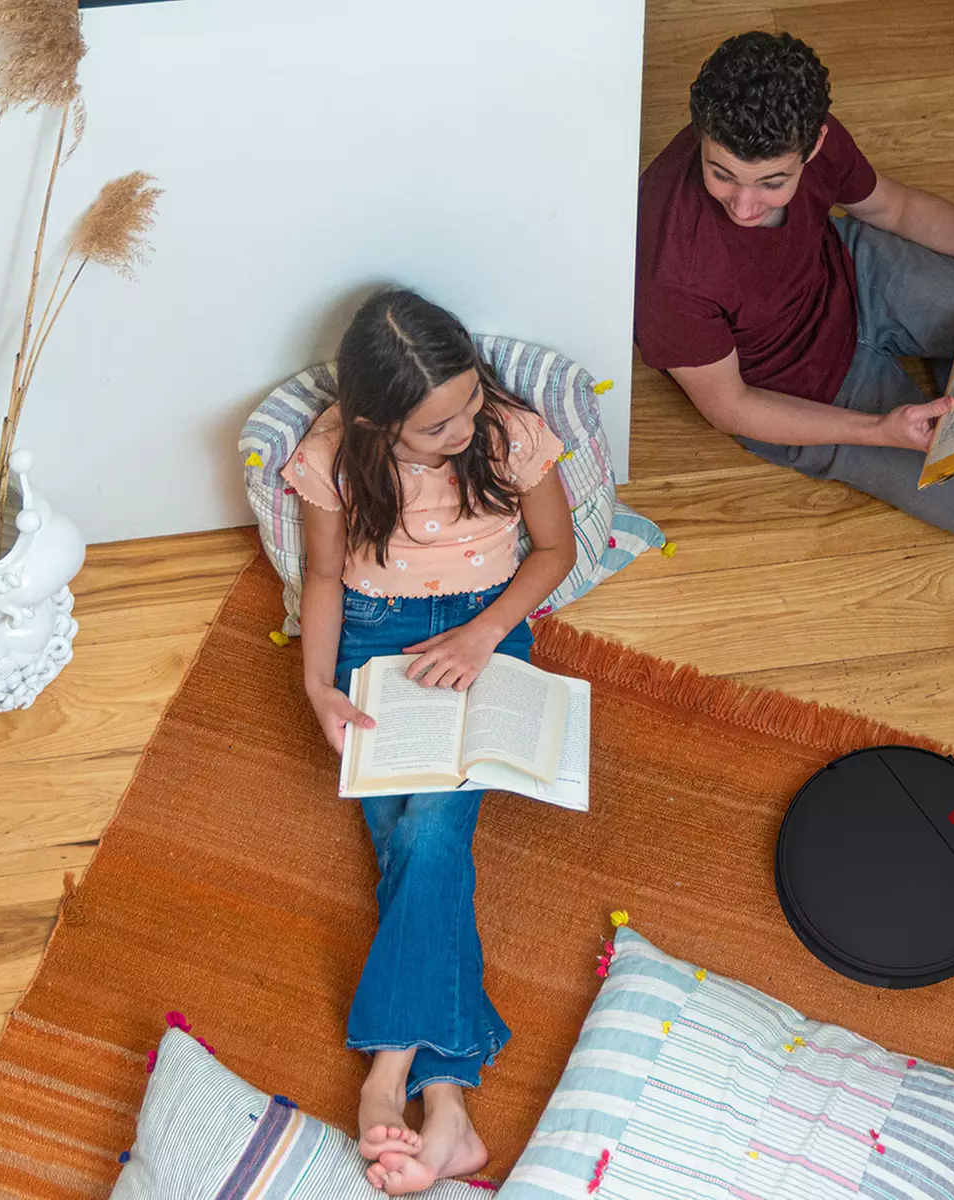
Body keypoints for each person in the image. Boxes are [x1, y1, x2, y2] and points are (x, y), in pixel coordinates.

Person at [635, 31, 954, 552]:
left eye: (772, 183)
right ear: (701, 134)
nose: (743, 206)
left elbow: (894, 209)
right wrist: (880, 431)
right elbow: (730, 406)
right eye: (722, 174)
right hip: (804, 391)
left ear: (815, 145)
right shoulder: (667, 264)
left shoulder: (813, 136)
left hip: (856, 271)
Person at [289, 289, 573, 1194]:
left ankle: (387, 1075)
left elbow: (554, 552)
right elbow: (325, 575)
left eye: (466, 406)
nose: (460, 430)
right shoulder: (334, 458)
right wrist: (317, 687)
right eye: (434, 426)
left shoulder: (510, 431)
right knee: (413, 833)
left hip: (485, 627)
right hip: (376, 630)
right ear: (376, 421)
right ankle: (447, 1105)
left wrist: (485, 634)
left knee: (423, 832)